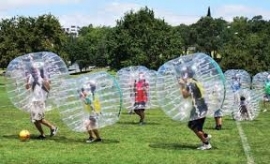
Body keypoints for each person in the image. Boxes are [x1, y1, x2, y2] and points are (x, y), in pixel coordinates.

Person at [178, 66, 212, 150]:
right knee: (191, 125)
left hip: (199, 107)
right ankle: (205, 136)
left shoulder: (191, 84)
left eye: (182, 75)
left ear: (186, 75)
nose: (181, 77)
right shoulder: (194, 82)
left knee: (195, 127)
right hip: (199, 106)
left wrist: (182, 85)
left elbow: (185, 95)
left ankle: (206, 143)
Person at [25, 64, 58, 139]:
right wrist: (27, 83)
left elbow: (49, 88)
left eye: (34, 69)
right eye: (32, 70)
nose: (33, 71)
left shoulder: (42, 77)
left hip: (41, 100)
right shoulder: (30, 77)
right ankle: (42, 134)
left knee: (39, 118)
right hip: (33, 100)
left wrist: (44, 81)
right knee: (34, 119)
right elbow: (27, 87)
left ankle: (53, 127)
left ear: (37, 70)